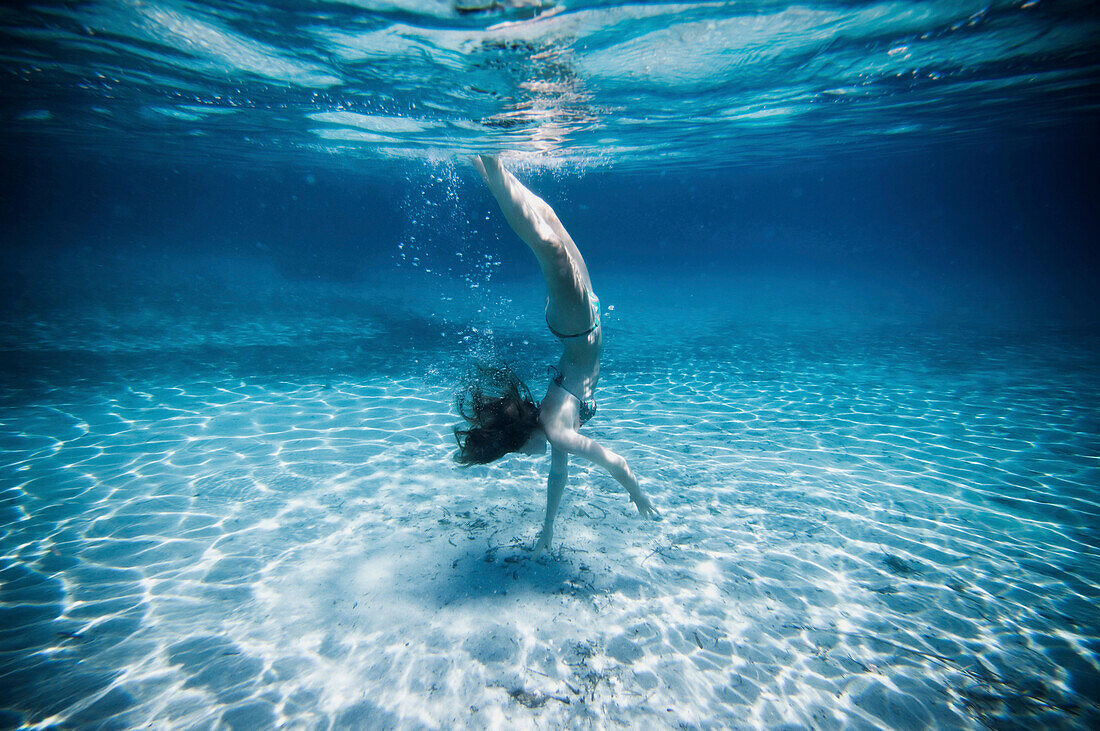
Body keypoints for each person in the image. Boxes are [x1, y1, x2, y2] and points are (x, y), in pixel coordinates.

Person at [455, 154, 659, 555]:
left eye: (515, 453)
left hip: (577, 325)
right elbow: (558, 478)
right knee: (551, 222)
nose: (524, 458)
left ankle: (492, 162)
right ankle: (485, 166)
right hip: (584, 318)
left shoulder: (557, 432)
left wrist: (636, 493)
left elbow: (614, 462)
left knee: (549, 246)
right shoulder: (553, 433)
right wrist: (547, 529)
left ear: (520, 439)